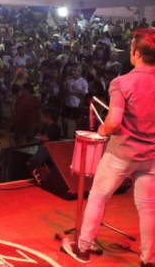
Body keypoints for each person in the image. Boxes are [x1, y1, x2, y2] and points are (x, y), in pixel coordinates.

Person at [62, 28, 155, 267]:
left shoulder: (122, 82)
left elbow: (113, 122)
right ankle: (149, 259)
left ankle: (82, 248)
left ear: (135, 53)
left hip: (121, 153)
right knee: (148, 208)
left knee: (98, 197)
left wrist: (102, 131)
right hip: (152, 156)